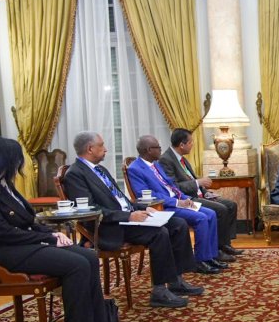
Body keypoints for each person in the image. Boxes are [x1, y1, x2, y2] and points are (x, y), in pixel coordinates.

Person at [0, 137, 113, 322]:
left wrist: (51, 234)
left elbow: (28, 221)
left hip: (21, 245)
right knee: (77, 265)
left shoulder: (2, 183)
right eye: (15, 160)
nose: (18, 165)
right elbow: (2, 233)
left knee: (88, 256)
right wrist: (48, 240)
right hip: (3, 254)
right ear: (0, 160)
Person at [64, 131, 203, 308]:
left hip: (126, 219)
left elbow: (120, 200)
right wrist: (128, 216)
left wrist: (141, 208)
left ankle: (176, 280)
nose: (106, 149)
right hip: (110, 226)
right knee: (159, 233)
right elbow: (90, 210)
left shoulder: (100, 170)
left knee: (178, 224)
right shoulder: (75, 174)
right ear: (90, 149)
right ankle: (159, 291)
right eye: (101, 145)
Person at [127, 135, 228, 275]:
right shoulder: (135, 169)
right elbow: (146, 195)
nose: (161, 150)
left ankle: (210, 256)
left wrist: (185, 198)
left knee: (211, 213)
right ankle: (200, 261)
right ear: (149, 150)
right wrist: (176, 202)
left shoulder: (155, 164)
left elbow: (172, 186)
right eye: (158, 147)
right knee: (201, 218)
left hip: (178, 201)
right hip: (164, 207)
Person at [159, 128, 242, 258]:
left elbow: (191, 178)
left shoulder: (182, 158)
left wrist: (206, 192)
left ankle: (225, 244)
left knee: (231, 205)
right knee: (221, 209)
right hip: (188, 198)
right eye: (191, 142)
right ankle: (217, 250)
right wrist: (198, 183)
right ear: (182, 145)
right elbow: (174, 188)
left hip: (199, 194)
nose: (193, 145)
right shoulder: (166, 160)